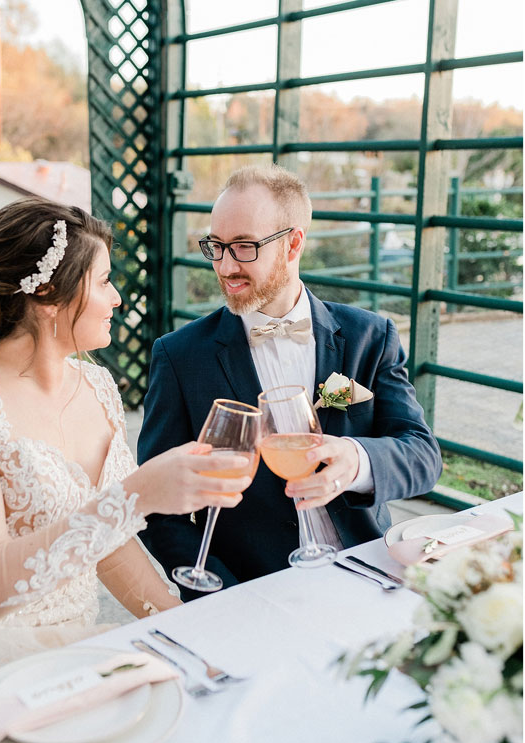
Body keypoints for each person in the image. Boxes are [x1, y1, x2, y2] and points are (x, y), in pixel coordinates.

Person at [0, 198, 252, 710]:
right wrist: (136, 496)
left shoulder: (97, 385)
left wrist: (185, 626)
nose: (117, 298)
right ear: (49, 294)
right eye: (104, 281)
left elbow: (109, 546)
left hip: (70, 649)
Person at [138, 165, 442, 596]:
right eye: (216, 246)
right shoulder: (180, 356)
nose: (225, 266)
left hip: (368, 575)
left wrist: (357, 461)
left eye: (244, 247)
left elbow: (423, 455)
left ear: (293, 243)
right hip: (250, 592)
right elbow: (157, 510)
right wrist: (223, 596)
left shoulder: (369, 336)